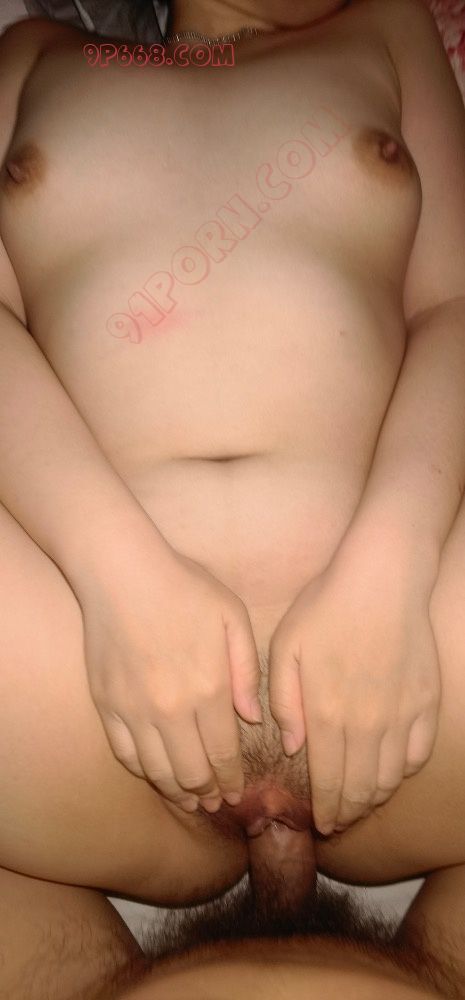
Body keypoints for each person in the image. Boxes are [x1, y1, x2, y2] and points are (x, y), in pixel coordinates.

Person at [0, 0, 465, 996]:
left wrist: (394, 563)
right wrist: (116, 576)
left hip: (423, 644)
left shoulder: (386, 25)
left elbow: (453, 308)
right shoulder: (33, 52)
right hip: (69, 673)